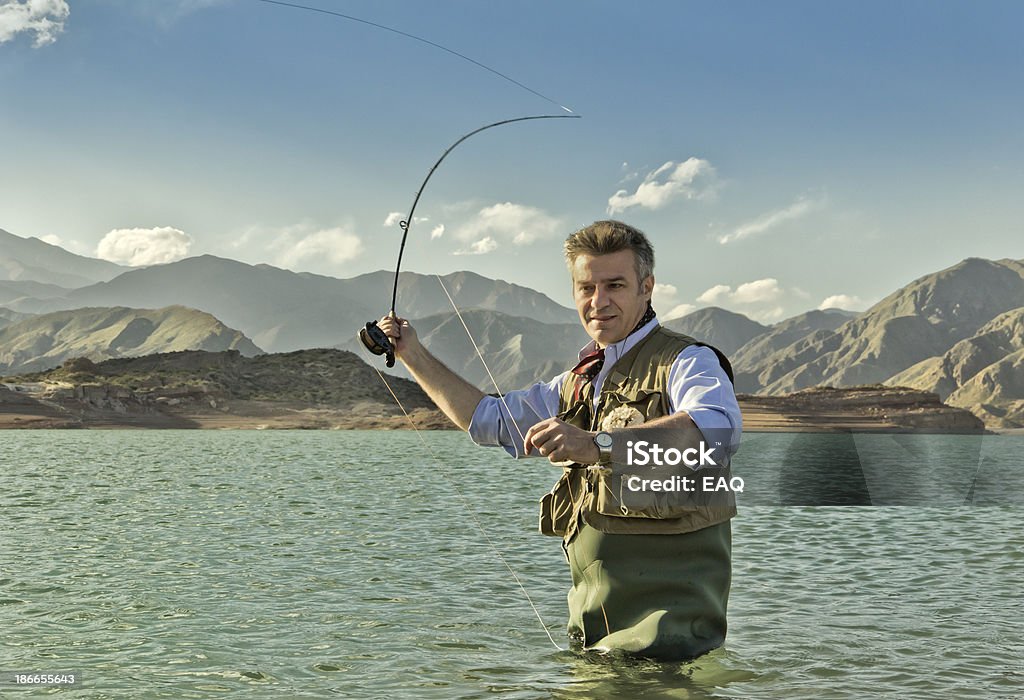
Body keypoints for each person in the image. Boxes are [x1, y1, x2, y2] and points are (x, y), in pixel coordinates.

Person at [378, 220, 741, 660]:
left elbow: (716, 430)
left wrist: (597, 445)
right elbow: (487, 419)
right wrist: (411, 354)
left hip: (672, 652)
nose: (598, 301)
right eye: (586, 288)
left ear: (647, 287)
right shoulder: (574, 383)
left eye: (615, 285)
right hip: (594, 644)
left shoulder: (689, 361)